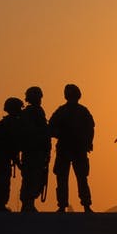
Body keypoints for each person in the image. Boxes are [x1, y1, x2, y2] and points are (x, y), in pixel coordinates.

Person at [48, 84, 94, 213]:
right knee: (74, 178)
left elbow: (90, 129)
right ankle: (80, 205)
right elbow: (51, 129)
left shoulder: (64, 111)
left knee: (74, 178)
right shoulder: (80, 111)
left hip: (73, 149)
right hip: (71, 149)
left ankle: (71, 205)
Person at [18, 86, 51, 212]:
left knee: (35, 177)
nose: (40, 99)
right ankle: (27, 203)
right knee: (30, 177)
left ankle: (29, 203)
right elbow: (33, 132)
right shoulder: (30, 113)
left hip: (38, 151)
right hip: (32, 151)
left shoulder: (36, 111)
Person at [0, 98, 25, 212]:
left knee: (2, 181)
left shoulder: (7, 123)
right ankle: (0, 205)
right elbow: (13, 144)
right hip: (2, 158)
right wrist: (18, 161)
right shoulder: (12, 124)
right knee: (3, 182)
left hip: (1, 157)